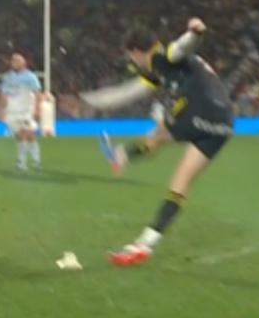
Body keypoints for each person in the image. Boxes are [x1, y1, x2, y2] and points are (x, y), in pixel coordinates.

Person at [66, 18, 232, 267]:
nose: (132, 62)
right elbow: (127, 92)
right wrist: (88, 100)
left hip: (200, 110)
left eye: (131, 56)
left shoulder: (161, 57)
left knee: (159, 135)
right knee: (180, 180)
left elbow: (181, 48)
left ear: (136, 51)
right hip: (224, 124)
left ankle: (122, 156)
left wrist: (196, 32)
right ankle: (145, 243)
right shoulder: (157, 69)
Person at [0, 53, 43, 170]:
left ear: (24, 63)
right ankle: (23, 162)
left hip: (26, 110)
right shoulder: (7, 77)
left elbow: (37, 94)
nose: (15, 63)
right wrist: (0, 109)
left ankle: (32, 161)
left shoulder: (30, 77)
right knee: (19, 136)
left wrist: (37, 109)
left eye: (18, 61)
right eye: (13, 61)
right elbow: (3, 94)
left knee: (28, 134)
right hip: (11, 111)